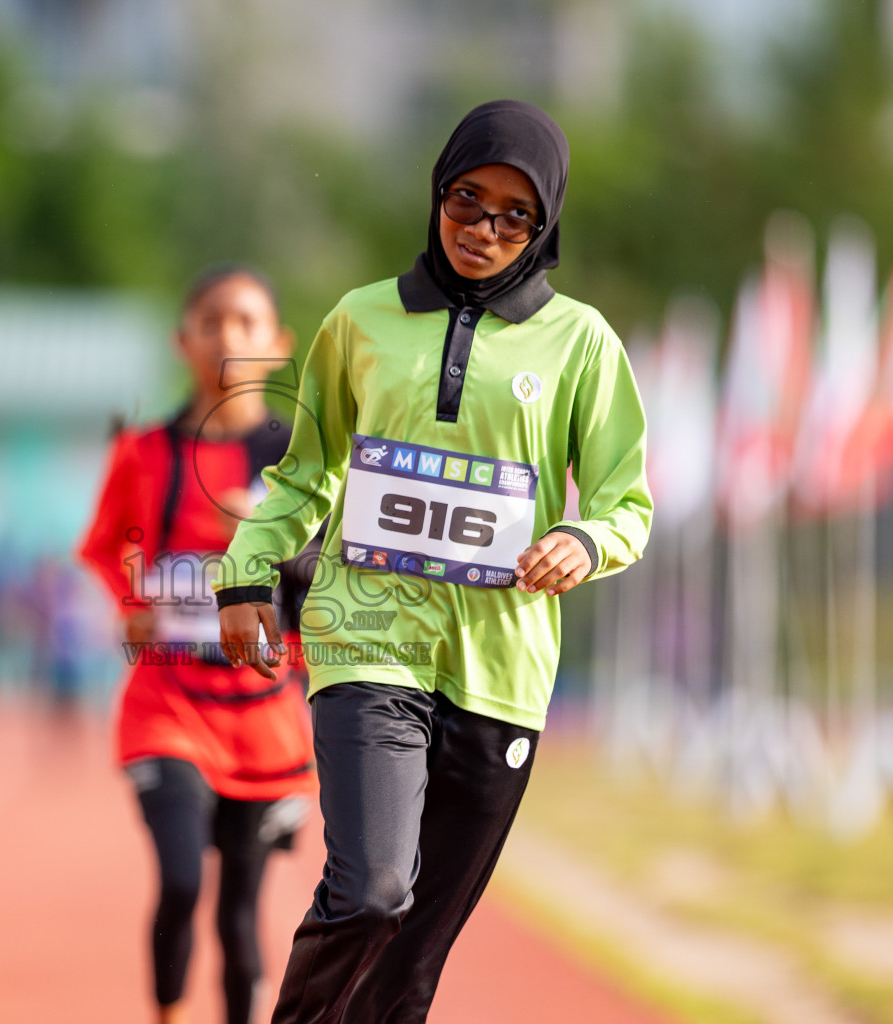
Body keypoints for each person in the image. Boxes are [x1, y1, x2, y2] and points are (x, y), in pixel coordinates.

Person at [214, 100, 653, 1023]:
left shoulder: (581, 344)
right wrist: (247, 574)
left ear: (545, 227)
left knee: (411, 965)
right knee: (373, 890)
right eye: (466, 200)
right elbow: (301, 480)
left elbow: (626, 500)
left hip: (501, 675)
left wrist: (583, 539)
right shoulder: (360, 322)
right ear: (436, 196)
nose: (483, 230)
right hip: (367, 646)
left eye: (513, 215)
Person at [77, 265, 320, 1024]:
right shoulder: (144, 453)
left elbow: (337, 574)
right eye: (211, 321)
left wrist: (281, 550)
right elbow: (106, 546)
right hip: (167, 700)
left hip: (262, 712)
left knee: (240, 916)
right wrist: (130, 604)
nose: (228, 337)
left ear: (278, 346)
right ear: (183, 340)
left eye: (248, 323)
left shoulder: (301, 464)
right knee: (182, 879)